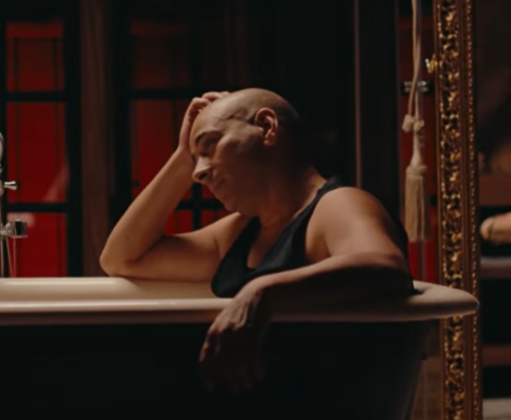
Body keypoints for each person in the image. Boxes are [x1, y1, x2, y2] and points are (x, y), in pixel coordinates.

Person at [100, 88, 414, 395]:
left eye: (210, 145)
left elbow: (386, 266)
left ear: (266, 127)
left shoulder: (337, 205)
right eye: (195, 159)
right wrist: (182, 158)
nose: (198, 174)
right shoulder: (238, 232)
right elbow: (122, 259)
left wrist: (261, 292)